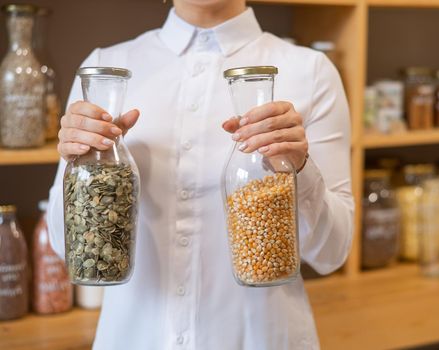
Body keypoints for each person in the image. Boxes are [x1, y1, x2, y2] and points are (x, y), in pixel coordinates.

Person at [47, 0, 354, 349]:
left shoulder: (310, 71)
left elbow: (332, 252)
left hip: (261, 338)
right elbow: (62, 243)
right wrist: (80, 167)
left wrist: (299, 167)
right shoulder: (105, 69)